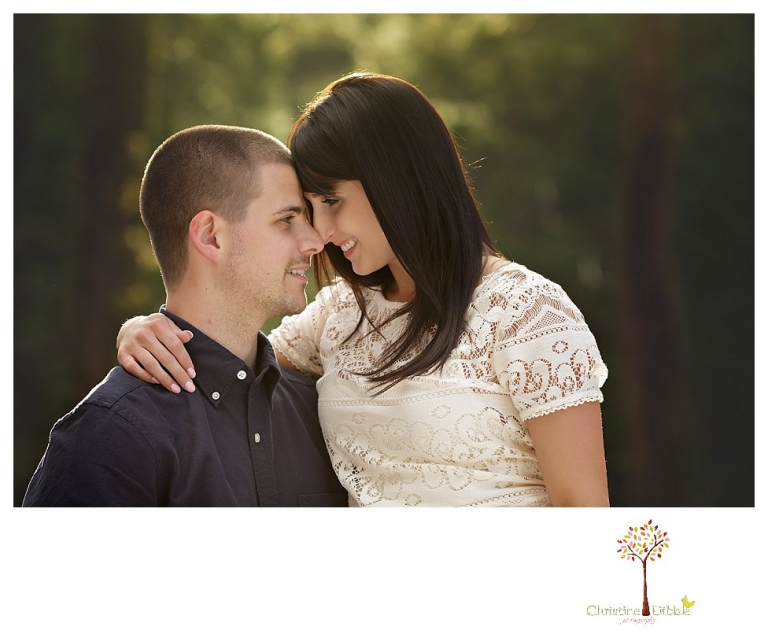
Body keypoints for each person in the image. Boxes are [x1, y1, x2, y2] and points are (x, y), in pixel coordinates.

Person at [116, 73, 610, 507]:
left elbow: (582, 514)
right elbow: (230, 366)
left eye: (332, 199)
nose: (322, 231)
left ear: (398, 178)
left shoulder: (527, 312)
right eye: (310, 207)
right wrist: (146, 328)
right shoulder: (340, 314)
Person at [23, 124, 347, 507]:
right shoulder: (110, 433)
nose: (314, 241)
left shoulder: (322, 409)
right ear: (211, 236)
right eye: (287, 220)